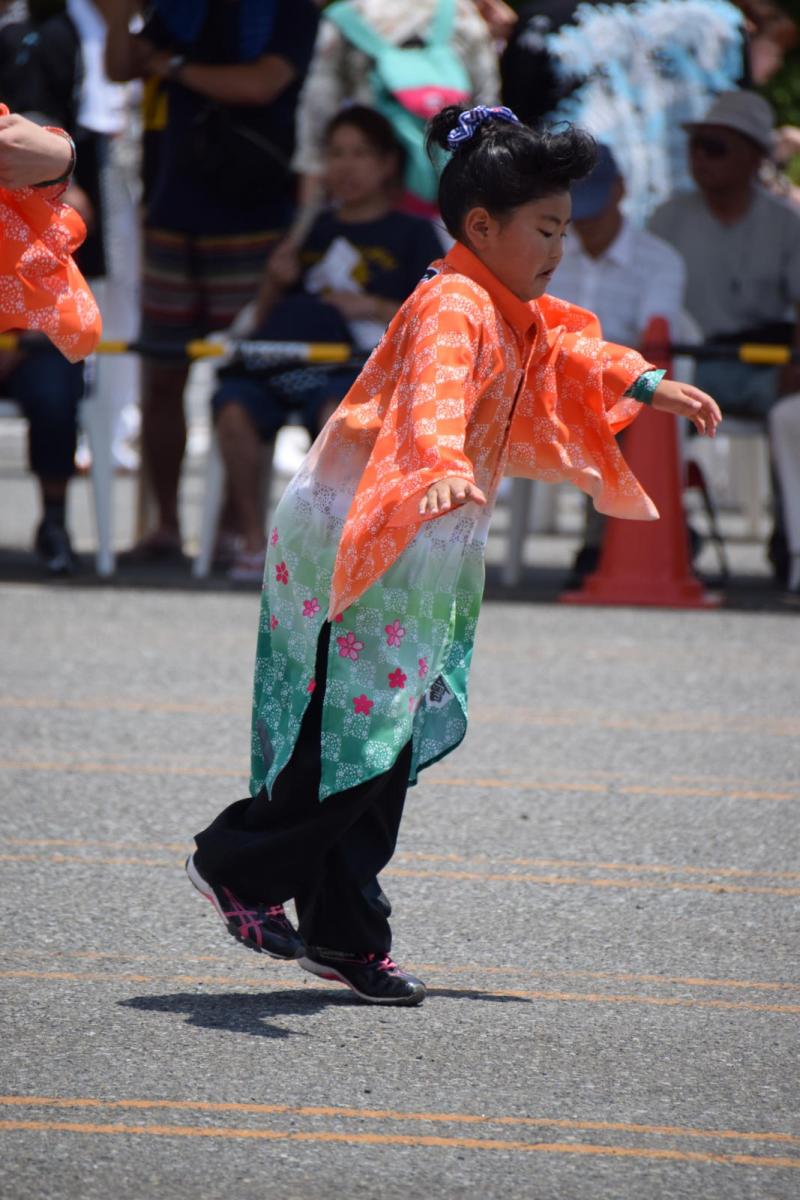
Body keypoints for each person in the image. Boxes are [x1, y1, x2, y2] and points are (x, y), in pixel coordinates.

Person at [185, 105, 721, 1007]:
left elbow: (563, 344)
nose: (559, 247)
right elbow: (431, 405)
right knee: (359, 736)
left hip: (421, 532)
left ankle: (345, 937)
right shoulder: (451, 304)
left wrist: (643, 380)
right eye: (546, 229)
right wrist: (436, 469)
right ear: (483, 227)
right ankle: (236, 862)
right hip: (369, 529)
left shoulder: (501, 301)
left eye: (562, 228)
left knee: (379, 741)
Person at [105, 0, 320, 563]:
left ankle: (235, 530)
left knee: (245, 378)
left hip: (254, 214)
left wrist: (173, 67)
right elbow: (120, 67)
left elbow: (261, 83)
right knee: (161, 374)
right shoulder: (181, 7)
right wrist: (114, 18)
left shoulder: (289, 12)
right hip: (170, 209)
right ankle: (166, 527)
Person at [212, 104, 444, 583]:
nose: (346, 166)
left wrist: (373, 307)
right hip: (282, 363)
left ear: (386, 164)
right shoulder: (307, 229)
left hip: (354, 371)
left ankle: (326, 541)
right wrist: (276, 282)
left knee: (339, 416)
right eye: (336, 154)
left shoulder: (414, 234)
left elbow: (434, 316)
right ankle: (255, 542)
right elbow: (263, 317)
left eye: (360, 154)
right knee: (232, 409)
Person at [649, 90, 800, 581]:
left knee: (793, 410)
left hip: (765, 366)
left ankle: (790, 535)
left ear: (755, 156)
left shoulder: (787, 224)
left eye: (714, 146)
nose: (700, 158)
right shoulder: (667, 219)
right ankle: (652, 531)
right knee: (627, 396)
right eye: (697, 146)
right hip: (684, 367)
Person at [548, 142, 687, 581]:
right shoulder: (547, 252)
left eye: (592, 208)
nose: (584, 224)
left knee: (627, 405)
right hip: (550, 380)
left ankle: (603, 542)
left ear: (621, 191)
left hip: (616, 385)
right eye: (575, 211)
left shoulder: (659, 260)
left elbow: (653, 343)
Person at [500, 0, 748, 226]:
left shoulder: (543, 20)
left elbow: (519, 138)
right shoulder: (722, 22)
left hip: (580, 232)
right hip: (591, 232)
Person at [292, 0, 500, 213]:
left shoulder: (345, 17)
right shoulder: (461, 14)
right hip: (451, 190)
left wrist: (308, 216)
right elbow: (487, 108)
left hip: (367, 197)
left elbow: (316, 112)